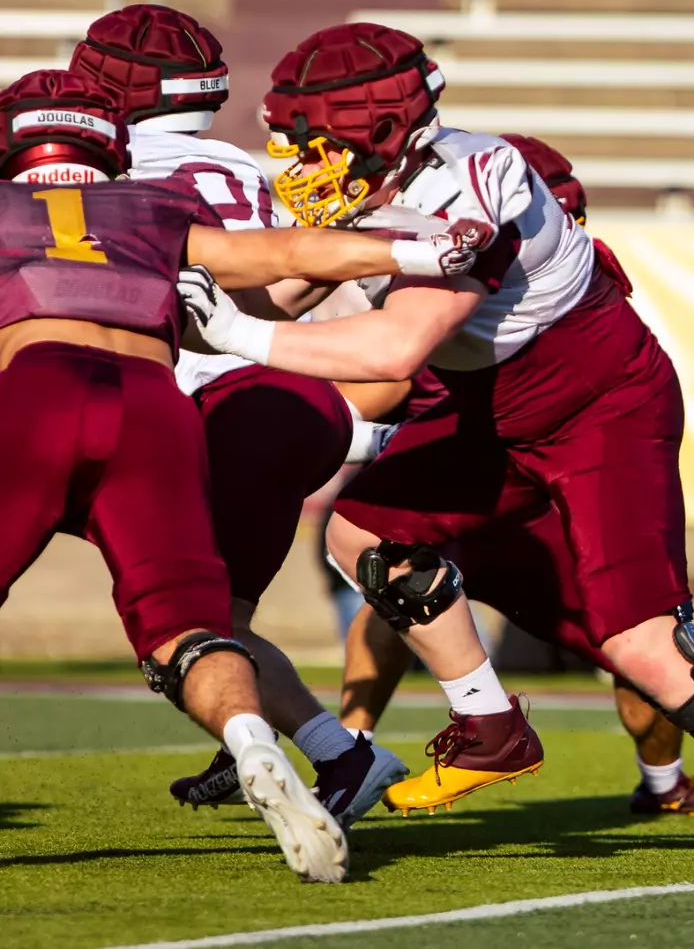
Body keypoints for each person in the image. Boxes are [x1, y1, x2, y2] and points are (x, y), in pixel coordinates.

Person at [184, 23, 694, 878]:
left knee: (639, 640)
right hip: (494, 407)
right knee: (363, 532)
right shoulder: (383, 180)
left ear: (379, 131)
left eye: (317, 145)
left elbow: (393, 348)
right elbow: (279, 289)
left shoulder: (469, 186)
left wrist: (231, 331)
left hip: (599, 406)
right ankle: (490, 724)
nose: (304, 165)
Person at [0, 70, 475, 881]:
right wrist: (418, 249)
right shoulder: (150, 207)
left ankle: (300, 750)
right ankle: (254, 742)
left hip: (37, 388)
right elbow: (285, 251)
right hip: (154, 409)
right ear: (107, 147)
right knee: (191, 625)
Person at [324, 136, 694, 820]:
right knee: (391, 573)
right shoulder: (444, 265)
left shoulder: (556, 288)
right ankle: (351, 749)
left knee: (637, 636)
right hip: (469, 477)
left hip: (537, 491)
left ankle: (667, 782)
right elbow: (385, 378)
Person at [68, 3, 411, 821]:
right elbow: (269, 298)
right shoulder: (232, 164)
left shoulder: (99, 169)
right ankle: (281, 740)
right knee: (221, 622)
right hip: (272, 396)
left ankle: (315, 745)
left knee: (177, 628)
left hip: (176, 411)